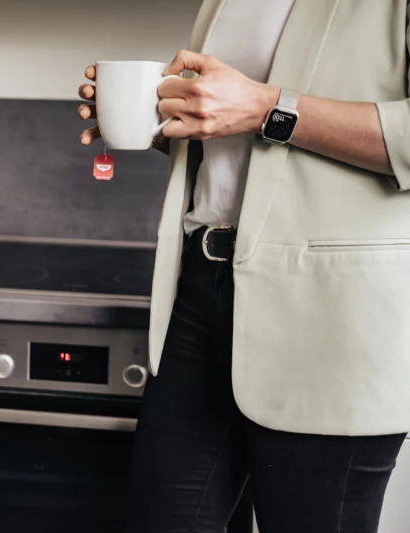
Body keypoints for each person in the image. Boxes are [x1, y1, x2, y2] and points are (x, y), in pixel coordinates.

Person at [79, 0, 410, 531]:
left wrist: (267, 109)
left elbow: (268, 115)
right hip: (199, 290)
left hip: (326, 313)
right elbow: (244, 156)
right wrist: (153, 117)